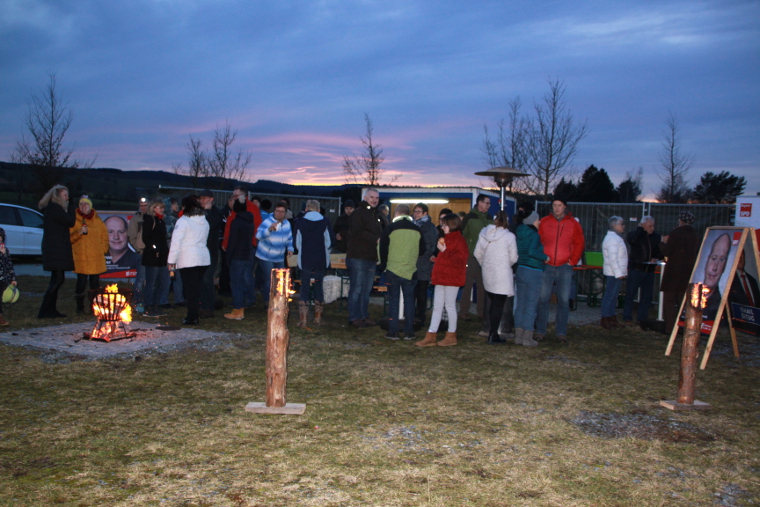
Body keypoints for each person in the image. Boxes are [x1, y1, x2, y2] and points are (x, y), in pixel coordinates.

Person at [535, 197, 585, 343]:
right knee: (543, 299)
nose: (557, 208)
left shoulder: (573, 224)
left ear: (565, 207)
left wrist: (573, 260)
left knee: (563, 300)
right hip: (547, 265)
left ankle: (561, 332)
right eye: (554, 205)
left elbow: (579, 242)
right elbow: (537, 240)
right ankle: (540, 331)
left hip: (565, 266)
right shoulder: (544, 222)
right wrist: (542, 257)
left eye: (559, 205)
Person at [415, 213, 469, 347]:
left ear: (451, 225)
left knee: (450, 306)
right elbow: (446, 258)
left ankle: (451, 335)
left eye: (444, 224)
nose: (442, 227)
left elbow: (460, 260)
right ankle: (431, 334)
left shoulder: (459, 240)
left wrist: (444, 252)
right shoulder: (446, 238)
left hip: (452, 278)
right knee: (438, 306)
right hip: (441, 277)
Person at [379, 204, 425, 340]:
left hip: (392, 269)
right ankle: (409, 332)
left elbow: (383, 250)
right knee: (410, 301)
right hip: (410, 271)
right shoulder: (417, 229)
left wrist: (382, 267)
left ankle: (393, 332)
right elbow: (422, 250)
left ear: (396, 214)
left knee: (393, 300)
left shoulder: (390, 228)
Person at [474, 210, 518, 344]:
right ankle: (493, 334)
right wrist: (505, 264)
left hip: (488, 272)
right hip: (502, 273)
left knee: (493, 303)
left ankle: (491, 332)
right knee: (499, 305)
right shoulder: (509, 236)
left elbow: (477, 253)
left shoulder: (484, 233)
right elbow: (514, 257)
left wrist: (485, 264)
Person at [168, 196, 210, 325]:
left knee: (190, 290)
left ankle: (192, 317)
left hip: (188, 259)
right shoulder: (204, 221)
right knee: (195, 288)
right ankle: (194, 314)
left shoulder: (183, 221)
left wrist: (171, 261)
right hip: (203, 258)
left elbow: (176, 243)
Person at [346, 188, 383, 328]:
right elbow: (357, 232)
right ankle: (354, 317)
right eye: (372, 197)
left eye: (377, 198)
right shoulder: (358, 213)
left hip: (370, 257)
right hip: (358, 257)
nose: (375, 200)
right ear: (365, 198)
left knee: (366, 289)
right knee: (357, 288)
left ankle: (363, 315)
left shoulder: (375, 214)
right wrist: (376, 239)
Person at [37, 185, 76, 319]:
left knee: (57, 279)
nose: (67, 198)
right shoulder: (55, 209)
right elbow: (70, 221)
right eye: (65, 195)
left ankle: (50, 310)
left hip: (55, 248)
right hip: (56, 249)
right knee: (58, 279)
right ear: (58, 196)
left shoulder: (52, 209)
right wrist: (72, 207)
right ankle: (45, 310)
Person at [293, 199, 333, 327]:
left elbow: (297, 243)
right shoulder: (325, 222)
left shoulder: (299, 222)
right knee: (318, 285)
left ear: (306, 209)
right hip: (320, 258)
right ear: (319, 209)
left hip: (305, 258)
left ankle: (303, 320)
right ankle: (317, 318)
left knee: (304, 286)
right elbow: (329, 242)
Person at [659, 211, 699, 333]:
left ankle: (670, 328)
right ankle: (684, 327)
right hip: (687, 273)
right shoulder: (695, 235)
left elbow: (666, 252)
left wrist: (662, 242)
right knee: (683, 302)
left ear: (680, 220)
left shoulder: (676, 233)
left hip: (673, 272)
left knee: (670, 300)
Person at [70, 196, 109, 315]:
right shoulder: (74, 220)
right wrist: (79, 232)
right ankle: (80, 308)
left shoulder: (98, 221)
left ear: (90, 206)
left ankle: (94, 308)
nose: (83, 206)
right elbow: (69, 238)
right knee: (81, 283)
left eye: (86, 204)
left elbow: (105, 237)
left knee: (95, 285)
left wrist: (103, 249)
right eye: (81, 204)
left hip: (95, 258)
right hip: (81, 257)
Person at [622, 216, 663, 327]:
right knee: (630, 294)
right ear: (643, 225)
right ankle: (627, 317)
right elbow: (632, 241)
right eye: (650, 226)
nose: (652, 228)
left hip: (649, 270)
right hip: (636, 269)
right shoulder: (635, 235)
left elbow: (659, 251)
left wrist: (656, 258)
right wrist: (640, 230)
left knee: (647, 296)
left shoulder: (656, 237)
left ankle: (642, 318)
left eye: (653, 226)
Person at [513, 211, 546, 347]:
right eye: (538, 220)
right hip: (534, 270)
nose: (539, 222)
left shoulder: (519, 233)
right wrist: (545, 257)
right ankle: (528, 337)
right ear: (532, 221)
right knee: (531, 304)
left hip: (521, 269)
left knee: (520, 303)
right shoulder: (534, 235)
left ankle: (518, 336)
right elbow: (533, 251)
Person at [459, 194, 493, 321]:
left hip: (486, 257)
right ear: (479, 203)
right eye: (487, 203)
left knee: (483, 285)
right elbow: (462, 235)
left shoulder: (489, 218)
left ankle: (482, 311)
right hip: (471, 256)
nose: (489, 206)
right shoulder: (469, 218)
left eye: (489, 203)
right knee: (467, 284)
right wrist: (466, 250)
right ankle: (464, 311)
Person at [255, 201, 294, 305]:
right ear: (274, 211)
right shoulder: (268, 222)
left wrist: (290, 249)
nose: (279, 213)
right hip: (265, 256)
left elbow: (289, 238)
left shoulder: (287, 224)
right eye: (277, 211)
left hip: (279, 257)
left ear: (285, 213)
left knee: (280, 279)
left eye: (282, 212)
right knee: (270, 279)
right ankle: (267, 302)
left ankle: (277, 300)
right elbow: (258, 236)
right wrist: (269, 230)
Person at [223, 198, 255, 320]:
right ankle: (240, 307)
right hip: (247, 255)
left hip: (237, 256)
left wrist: (228, 257)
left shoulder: (236, 222)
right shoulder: (250, 221)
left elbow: (233, 241)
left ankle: (238, 309)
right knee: (242, 282)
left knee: (235, 283)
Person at [141, 199, 170, 317]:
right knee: (151, 283)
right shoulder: (149, 220)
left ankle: (156, 305)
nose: (162, 209)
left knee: (163, 282)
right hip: (152, 257)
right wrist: (155, 249)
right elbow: (146, 238)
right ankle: (148, 306)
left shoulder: (161, 221)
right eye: (159, 207)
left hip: (162, 257)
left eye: (162, 208)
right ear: (153, 208)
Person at [412, 203, 438, 326]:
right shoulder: (411, 225)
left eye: (419, 211)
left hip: (424, 263)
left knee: (422, 292)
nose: (416, 214)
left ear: (425, 213)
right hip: (411, 263)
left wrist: (428, 255)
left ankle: (420, 316)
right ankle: (410, 314)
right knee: (412, 291)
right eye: (415, 211)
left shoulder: (430, 227)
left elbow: (434, 244)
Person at [200, 189, 224, 318]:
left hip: (210, 251)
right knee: (200, 279)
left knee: (207, 279)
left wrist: (208, 212)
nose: (202, 200)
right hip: (198, 250)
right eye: (201, 198)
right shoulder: (197, 211)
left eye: (205, 198)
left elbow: (210, 225)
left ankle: (208, 307)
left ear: (211, 199)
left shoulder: (216, 213)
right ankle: (202, 304)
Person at [600, 216, 627, 330]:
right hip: (613, 273)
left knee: (613, 296)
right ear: (614, 225)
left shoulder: (615, 238)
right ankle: (605, 318)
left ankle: (611, 317)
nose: (623, 226)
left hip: (616, 272)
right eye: (621, 224)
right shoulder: (612, 239)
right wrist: (618, 272)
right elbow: (612, 258)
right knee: (610, 296)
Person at [700, 233, 731, 321]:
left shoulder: (721, 301)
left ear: (725, 265)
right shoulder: (693, 293)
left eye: (721, 260)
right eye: (714, 258)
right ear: (707, 260)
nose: (715, 267)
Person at [160, 197, 183, 308]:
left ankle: (179, 299)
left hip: (174, 251)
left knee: (176, 276)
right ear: (171, 205)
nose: (177, 206)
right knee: (170, 275)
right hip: (171, 252)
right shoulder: (169, 219)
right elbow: (169, 235)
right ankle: (163, 301)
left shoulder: (174, 217)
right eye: (175, 204)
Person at [128, 197, 149, 312]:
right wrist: (139, 250)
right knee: (141, 278)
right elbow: (131, 237)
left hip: (151, 255)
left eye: (146, 205)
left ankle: (147, 301)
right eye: (142, 206)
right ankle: (138, 301)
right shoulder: (135, 220)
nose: (144, 208)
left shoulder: (152, 218)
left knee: (150, 279)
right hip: (141, 254)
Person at [0, 228, 18, 326]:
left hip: (3, 278)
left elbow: (9, 265)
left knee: (2, 297)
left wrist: (12, 278)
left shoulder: (5, 250)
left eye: (1, 237)